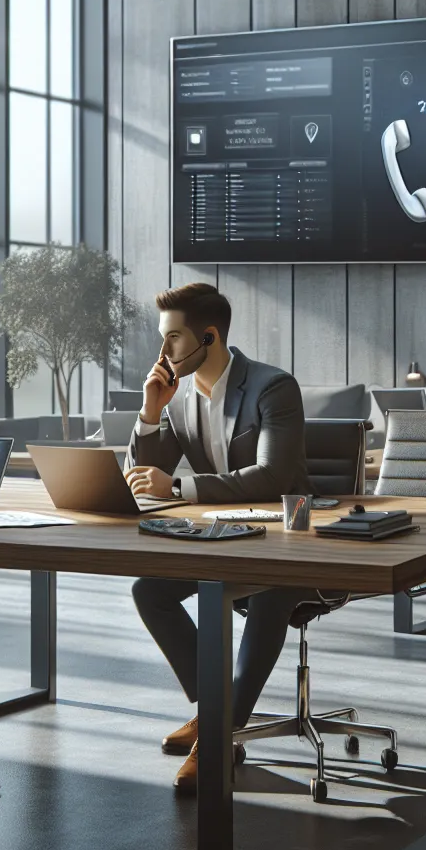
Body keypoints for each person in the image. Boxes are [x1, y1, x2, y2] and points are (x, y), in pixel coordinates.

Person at [125, 282, 314, 795]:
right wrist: (149, 411)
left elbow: (274, 476)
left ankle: (220, 734)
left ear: (208, 337)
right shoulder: (181, 398)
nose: (163, 354)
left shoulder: (273, 387)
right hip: (225, 538)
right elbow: (138, 474)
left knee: (272, 590)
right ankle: (215, 710)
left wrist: (182, 486)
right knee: (150, 590)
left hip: (290, 539)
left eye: (173, 340)